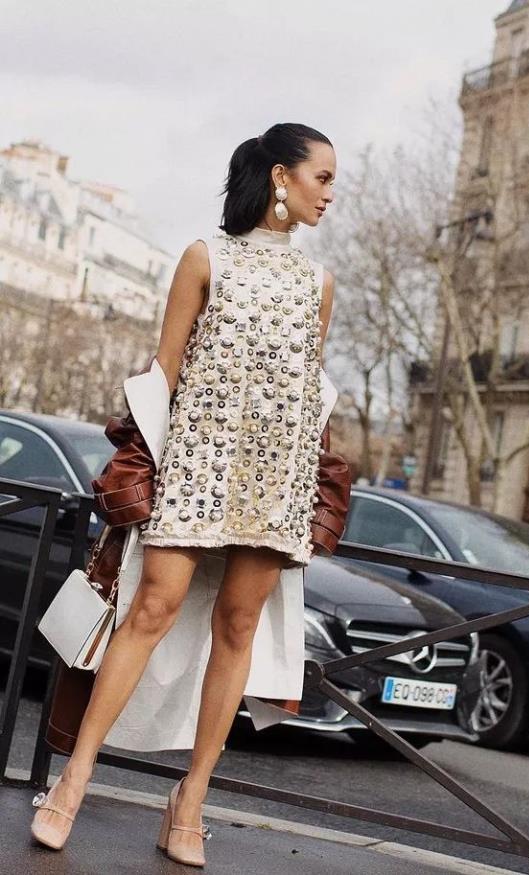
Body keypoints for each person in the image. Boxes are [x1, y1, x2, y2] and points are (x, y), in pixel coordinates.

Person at [30, 122, 336, 867]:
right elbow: (163, 373)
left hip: (277, 482)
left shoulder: (319, 283)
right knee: (152, 610)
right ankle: (74, 778)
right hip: (196, 467)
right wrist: (136, 468)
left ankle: (191, 799)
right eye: (323, 177)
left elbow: (309, 393)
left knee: (238, 627)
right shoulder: (206, 257)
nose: (331, 194)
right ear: (281, 177)